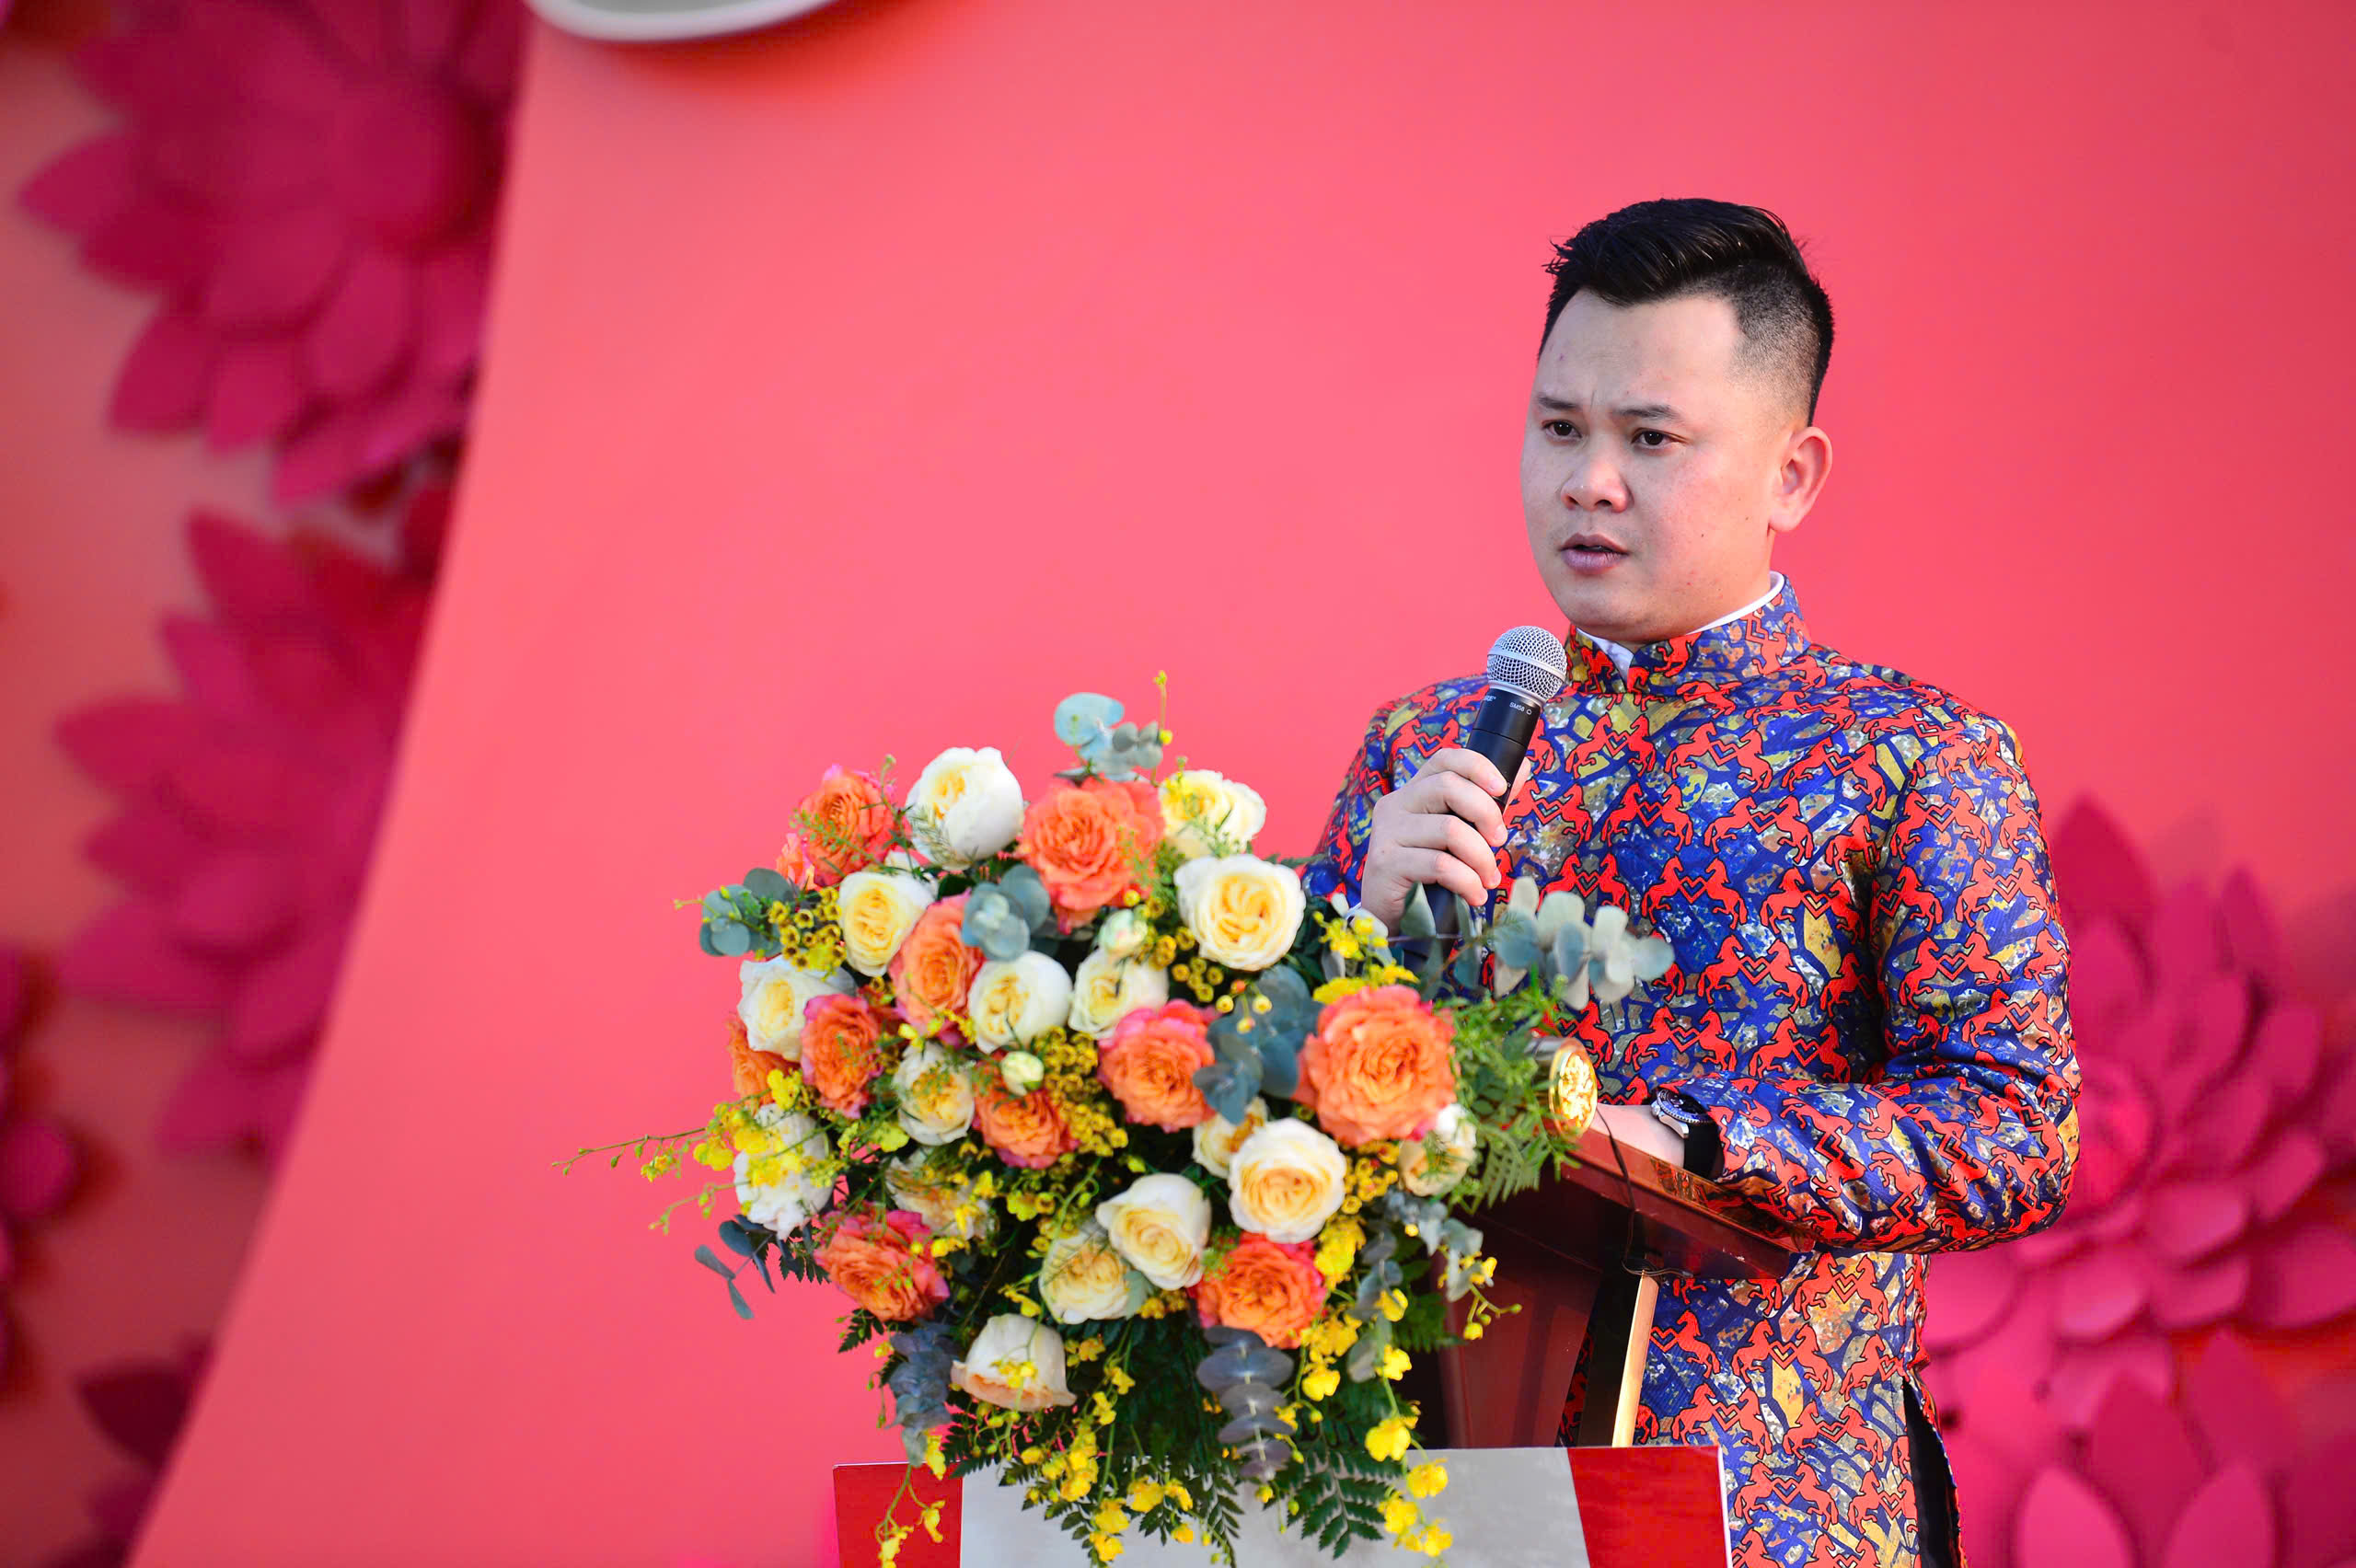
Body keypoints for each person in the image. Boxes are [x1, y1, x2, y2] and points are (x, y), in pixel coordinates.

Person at [1299, 199, 2079, 1568]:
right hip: (1419, 1500)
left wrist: (1696, 1145)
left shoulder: (1911, 757)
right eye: (1560, 429)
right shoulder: (1426, 745)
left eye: (1651, 439)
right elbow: (1278, 1124)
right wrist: (1353, 940)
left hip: (1772, 1509)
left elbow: (2014, 1130)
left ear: (1792, 475)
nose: (1590, 481)